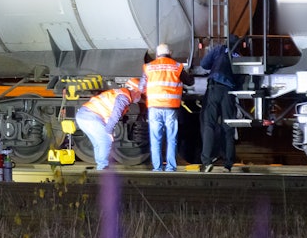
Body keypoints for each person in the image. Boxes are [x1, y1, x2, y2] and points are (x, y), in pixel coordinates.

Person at [143, 43, 194, 172]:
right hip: (171, 107)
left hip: (154, 108)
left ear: (157, 54)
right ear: (170, 53)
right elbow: (189, 82)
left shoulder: (149, 67)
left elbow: (142, 87)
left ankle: (157, 167)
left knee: (156, 139)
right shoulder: (176, 66)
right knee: (171, 138)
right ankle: (171, 167)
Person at [74, 77, 144, 170]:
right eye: (139, 93)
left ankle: (100, 166)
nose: (139, 96)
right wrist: (109, 130)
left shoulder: (119, 93)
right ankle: (103, 168)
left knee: (98, 143)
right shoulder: (123, 97)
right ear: (134, 90)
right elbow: (115, 115)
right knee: (105, 140)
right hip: (90, 116)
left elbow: (107, 112)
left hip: (83, 116)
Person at [200, 35, 241, 173]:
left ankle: (206, 162)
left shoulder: (219, 49)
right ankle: (228, 164)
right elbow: (241, 77)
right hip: (229, 91)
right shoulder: (238, 56)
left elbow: (204, 64)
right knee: (228, 127)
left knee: (209, 125)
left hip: (214, 88)